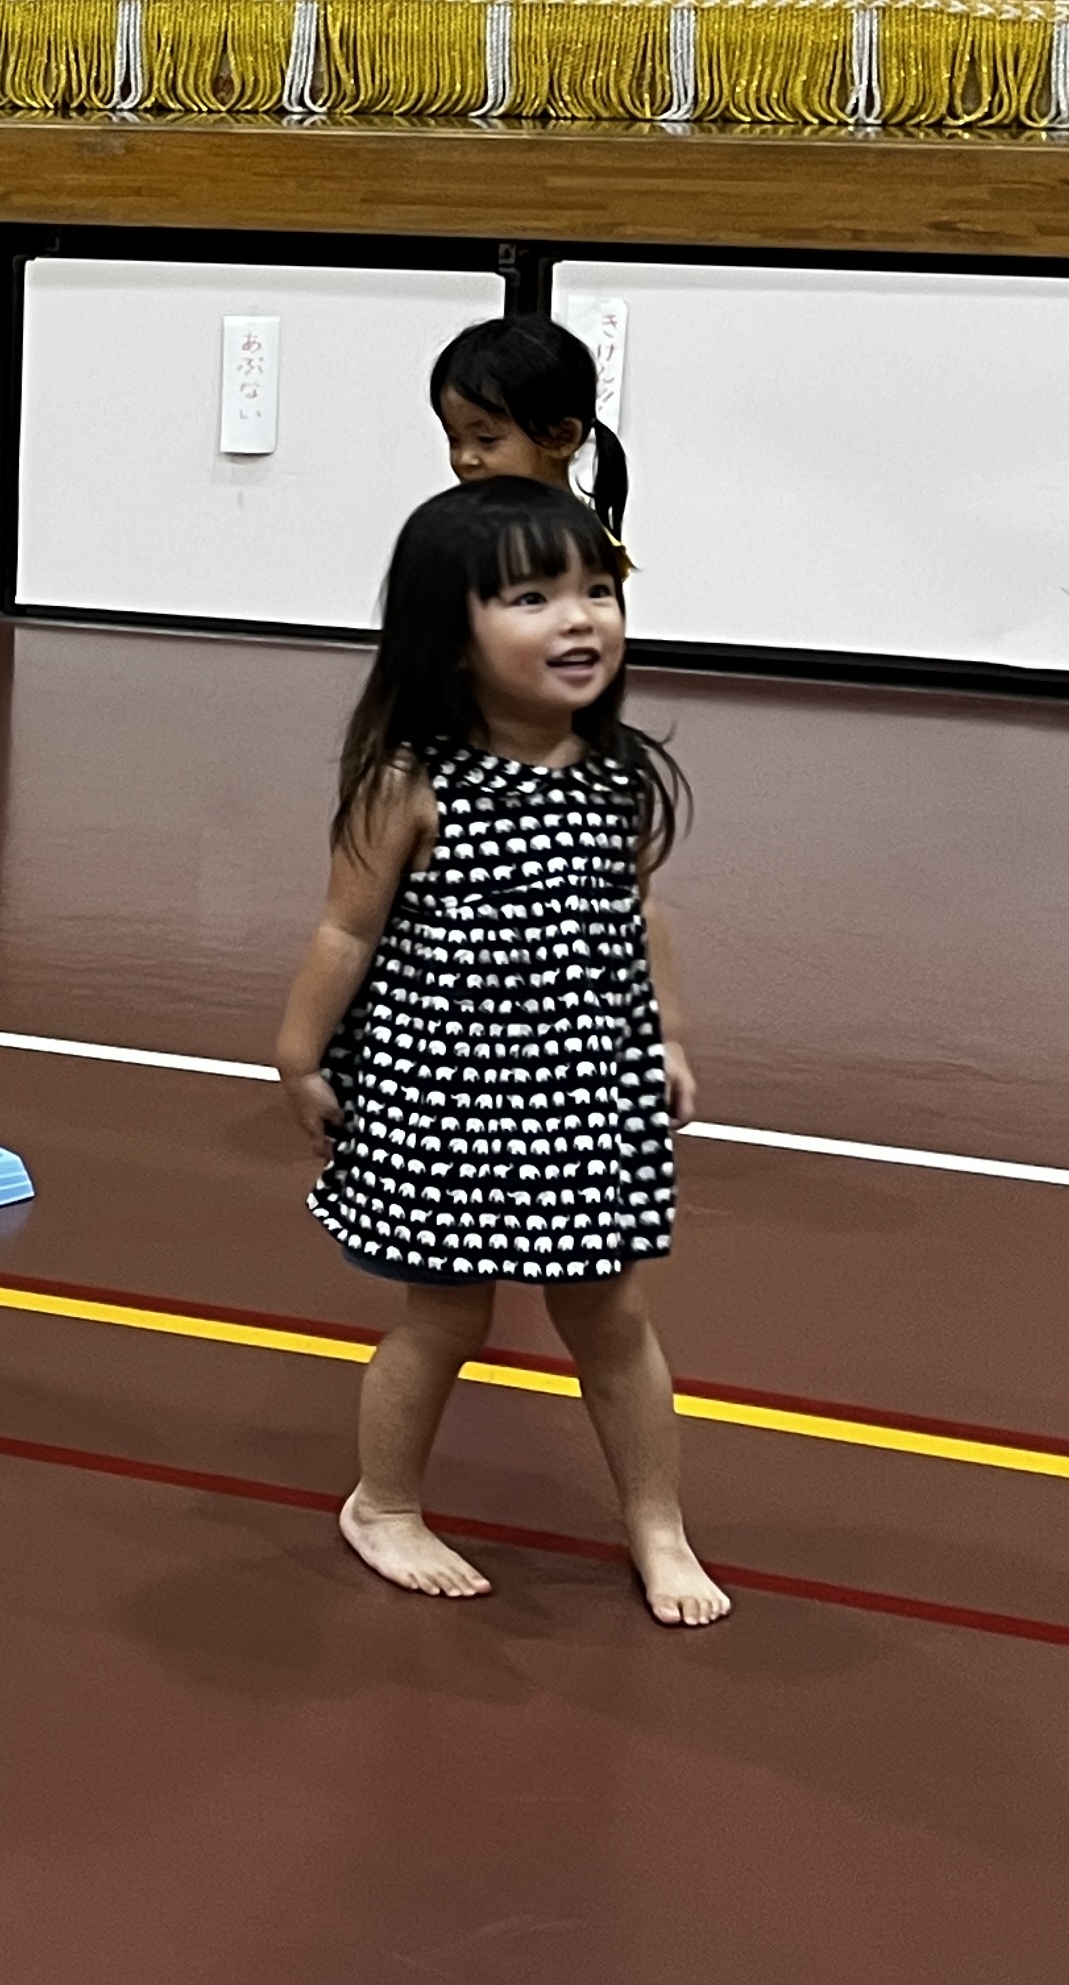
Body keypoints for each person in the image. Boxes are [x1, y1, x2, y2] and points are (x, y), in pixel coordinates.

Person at [269, 478, 727, 1625]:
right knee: (446, 1316)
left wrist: (666, 1033)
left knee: (610, 1315)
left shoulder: (616, 778)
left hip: (583, 1089)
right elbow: (345, 931)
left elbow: (641, 915)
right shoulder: (412, 784)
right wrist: (299, 1055)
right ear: (450, 636)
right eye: (532, 598)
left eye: (597, 591)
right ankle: (383, 1503)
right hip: (444, 1094)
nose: (580, 620)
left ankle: (659, 1524)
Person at [431, 312, 629, 551]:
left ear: (562, 437)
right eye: (453, 439)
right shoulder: (472, 532)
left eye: (486, 439)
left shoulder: (582, 548)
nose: (463, 459)